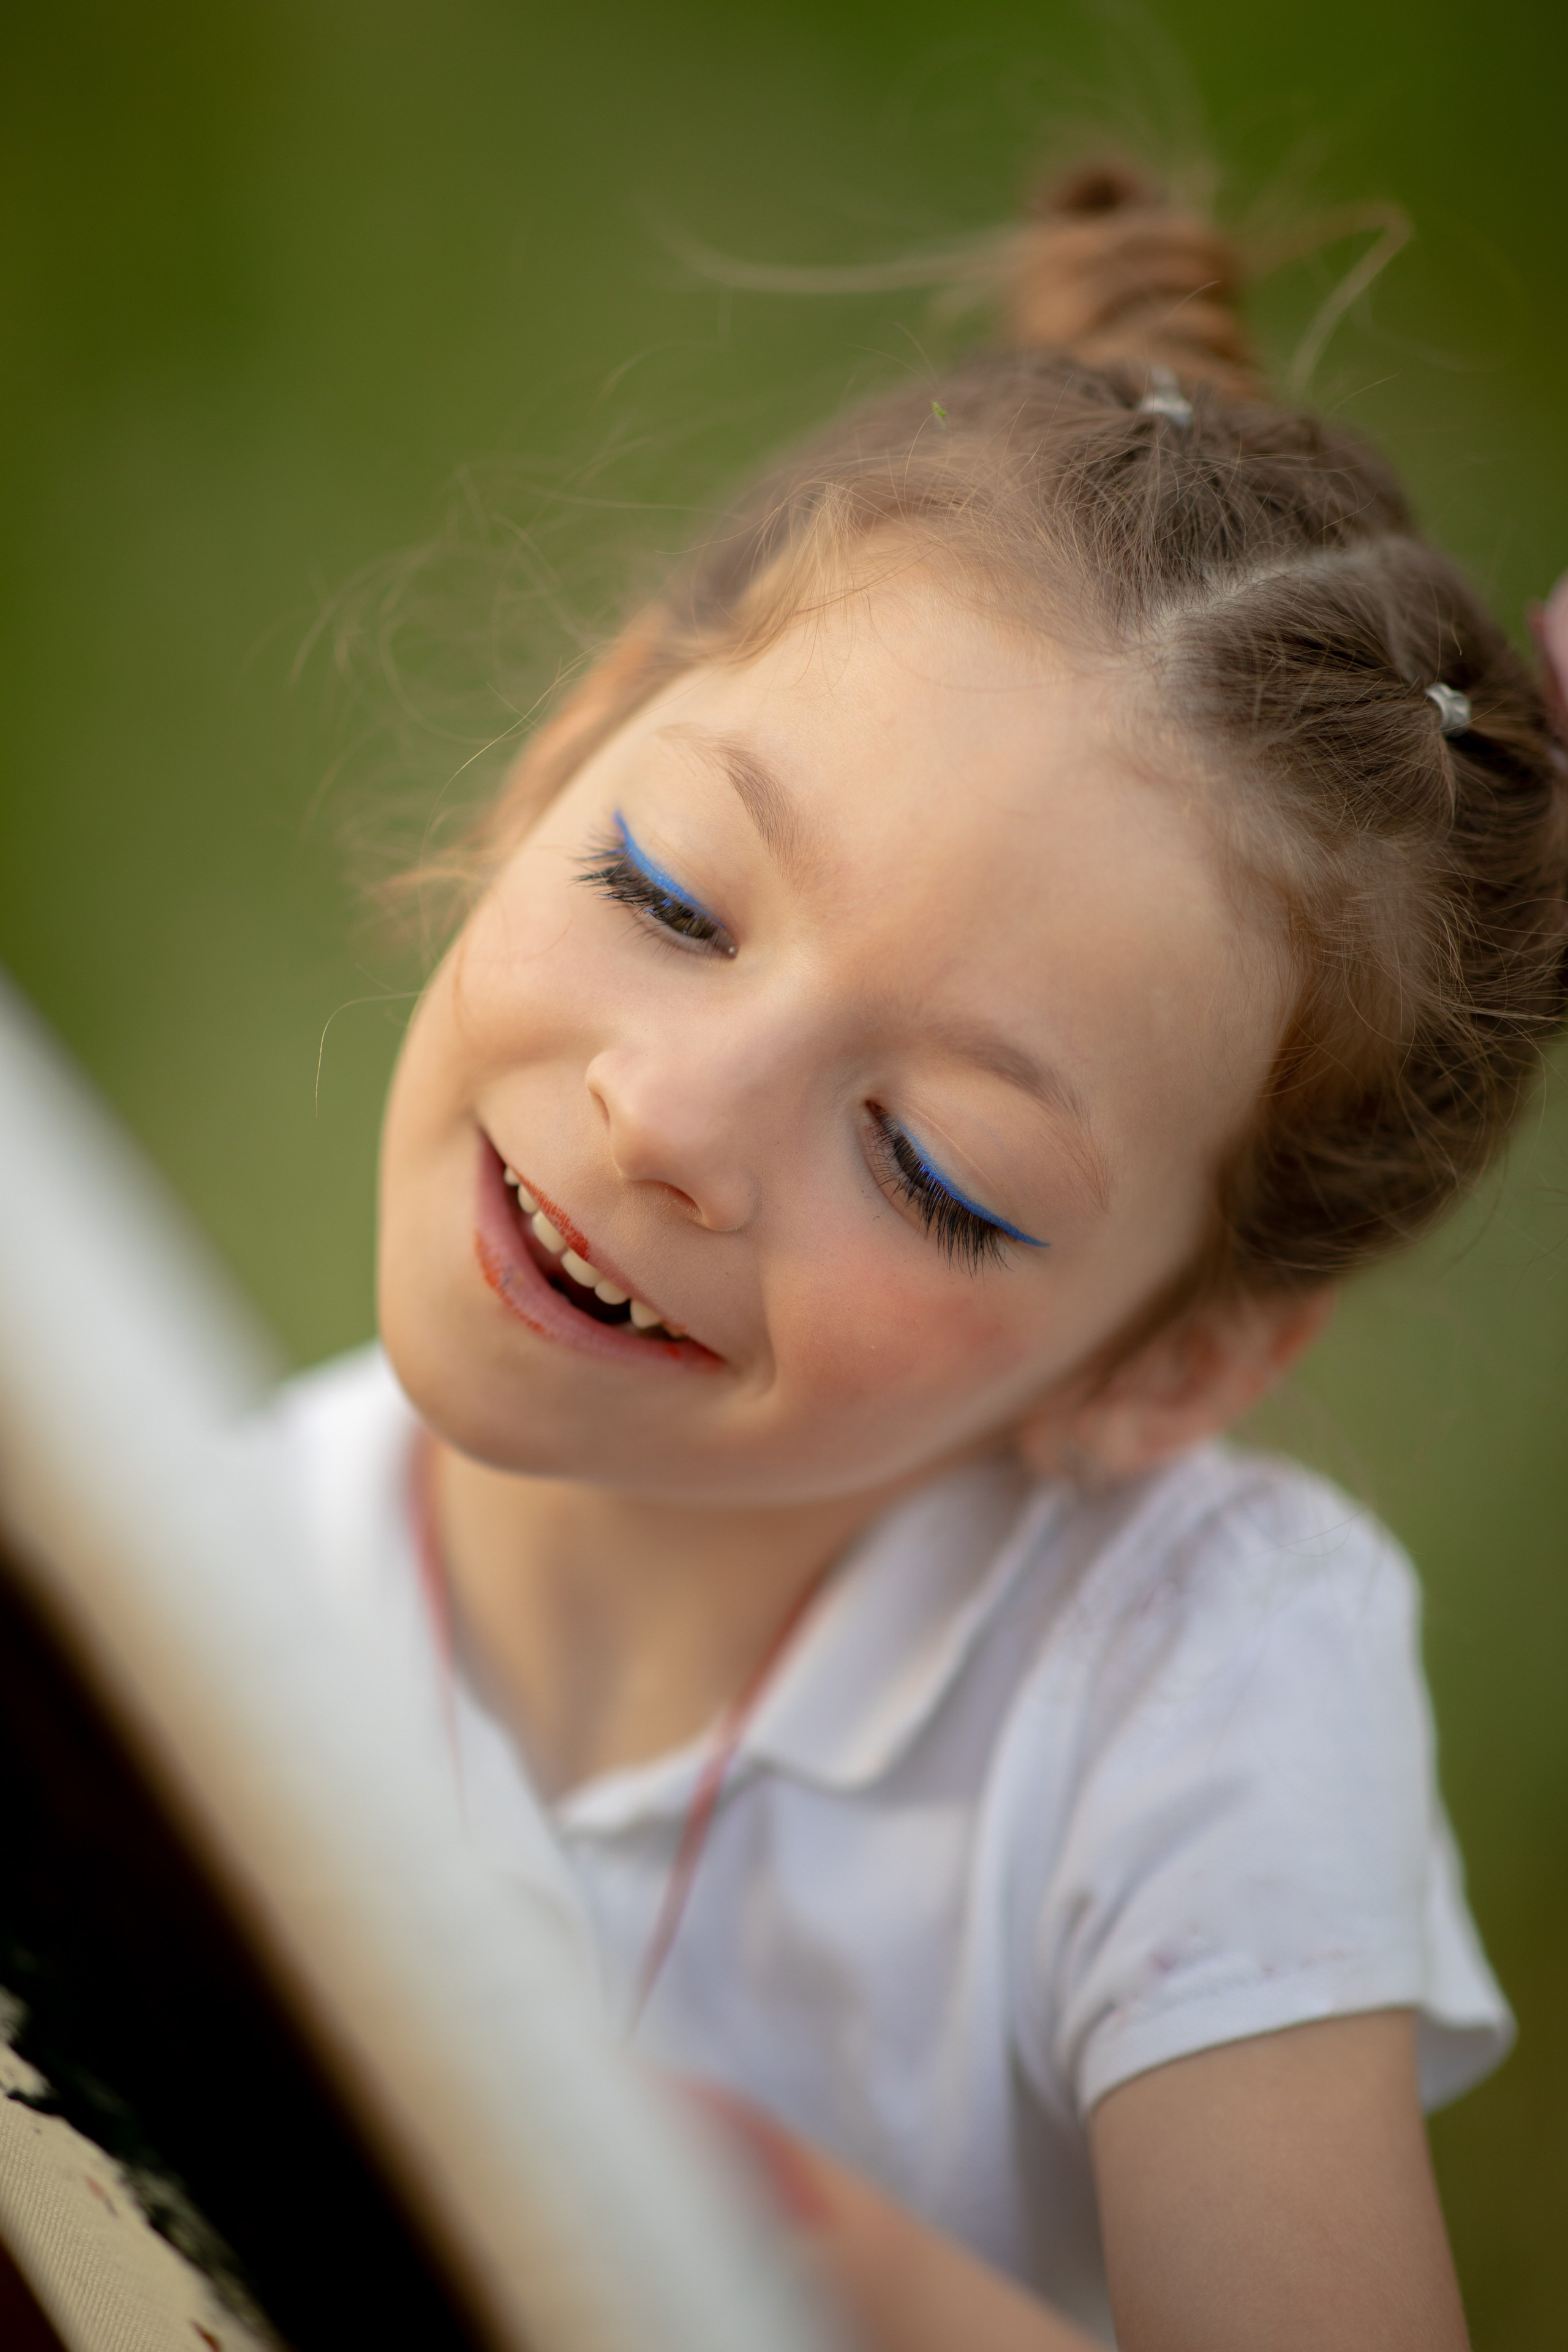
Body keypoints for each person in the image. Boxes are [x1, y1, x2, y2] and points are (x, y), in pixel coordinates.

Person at [270, 161, 1568, 2350]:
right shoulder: (210, 1571)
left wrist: (788, 2253)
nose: (665, 1124)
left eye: (938, 1168)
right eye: (670, 893)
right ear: (568, 747)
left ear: (1166, 1371)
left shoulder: (1189, 1673)